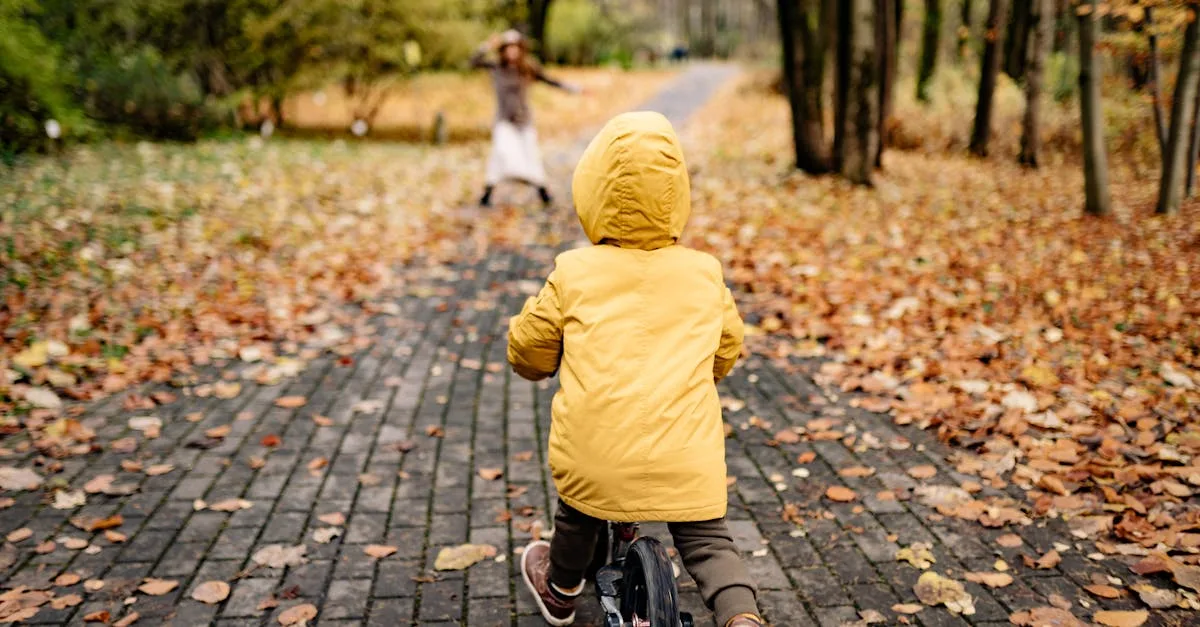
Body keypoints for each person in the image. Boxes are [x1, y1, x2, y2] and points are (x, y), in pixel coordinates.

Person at [507, 111, 764, 627]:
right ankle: (743, 618)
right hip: (684, 456)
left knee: (578, 513)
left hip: (597, 452)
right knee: (710, 540)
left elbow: (529, 350)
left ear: (591, 191)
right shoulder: (703, 273)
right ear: (677, 194)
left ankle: (559, 590)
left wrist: (544, 360)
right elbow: (727, 346)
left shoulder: (574, 272)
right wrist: (697, 372)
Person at [471, 29, 581, 208]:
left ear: (521, 49)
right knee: (501, 152)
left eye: (515, 48)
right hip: (504, 119)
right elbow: (473, 62)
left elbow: (548, 80)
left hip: (524, 120)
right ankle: (489, 193)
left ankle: (542, 191)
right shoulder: (496, 68)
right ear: (503, 50)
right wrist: (486, 46)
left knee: (531, 155)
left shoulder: (528, 68)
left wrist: (571, 88)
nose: (512, 51)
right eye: (508, 48)